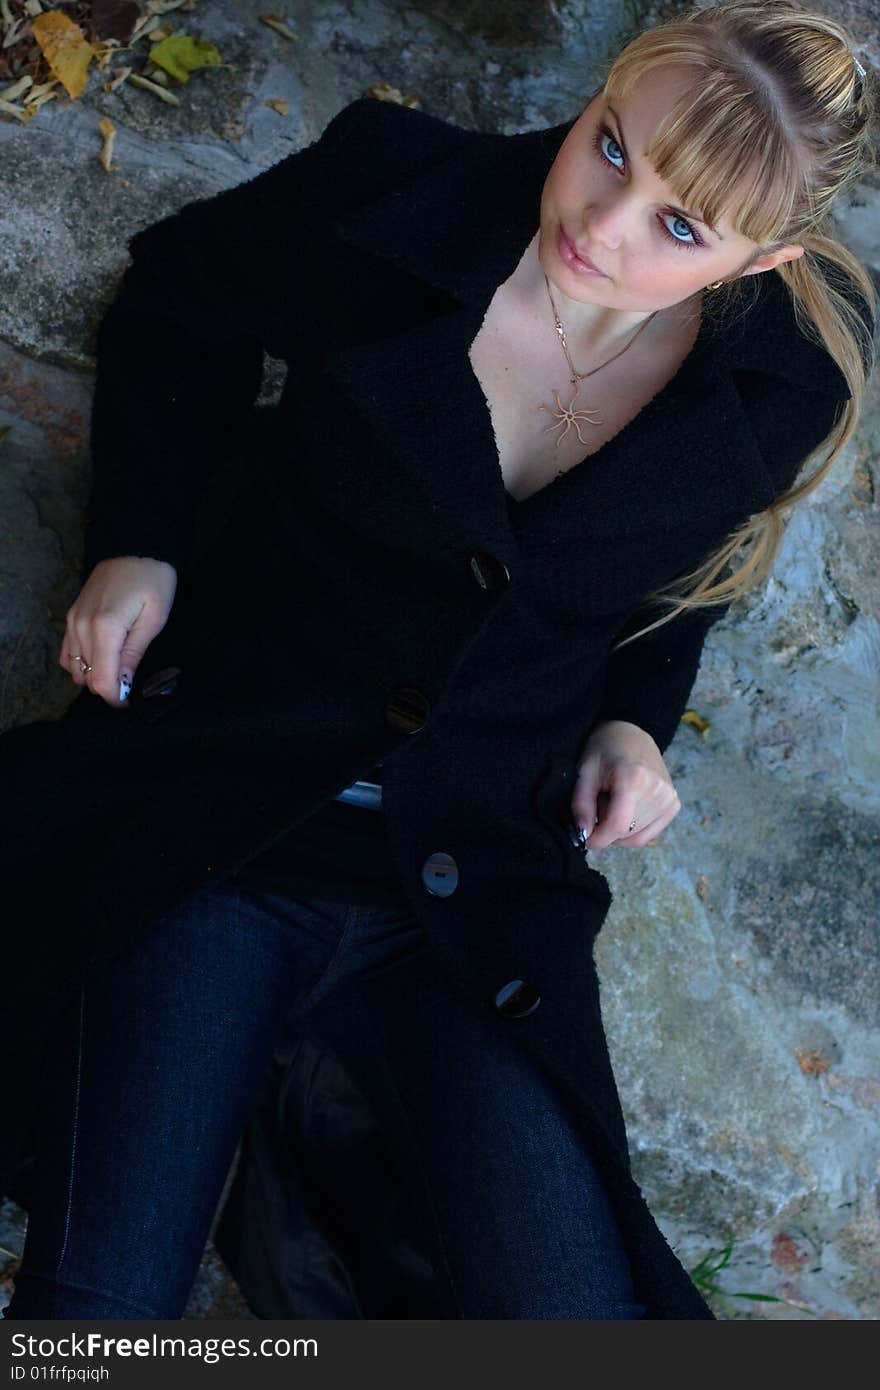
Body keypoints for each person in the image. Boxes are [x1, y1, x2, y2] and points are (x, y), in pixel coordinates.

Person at [2, 0, 874, 1320]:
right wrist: (140, 544)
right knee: (101, 1311)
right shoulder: (388, 199)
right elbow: (181, 297)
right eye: (611, 147)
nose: (602, 221)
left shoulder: (771, 386)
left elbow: (677, 574)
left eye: (679, 228)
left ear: (761, 261)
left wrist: (637, 718)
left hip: (468, 894)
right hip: (230, 831)